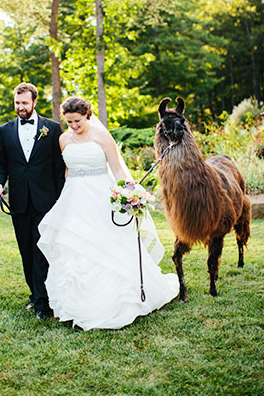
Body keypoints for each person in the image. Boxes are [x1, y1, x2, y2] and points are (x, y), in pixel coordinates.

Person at [37, 97, 179, 330]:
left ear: (88, 116)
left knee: (107, 244)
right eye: (69, 122)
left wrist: (129, 194)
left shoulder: (102, 137)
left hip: (101, 196)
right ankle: (76, 305)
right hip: (74, 198)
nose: (73, 126)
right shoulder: (63, 139)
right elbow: (66, 171)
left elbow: (116, 168)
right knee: (75, 245)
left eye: (78, 121)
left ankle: (116, 301)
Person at [0, 82, 65, 320]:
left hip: (46, 200)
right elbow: (1, 165)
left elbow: (58, 168)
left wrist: (61, 198)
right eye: (17, 102)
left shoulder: (52, 129)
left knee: (41, 249)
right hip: (20, 201)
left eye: (24, 103)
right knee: (25, 248)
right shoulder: (4, 130)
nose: (20, 107)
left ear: (34, 102)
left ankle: (43, 302)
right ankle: (35, 295)